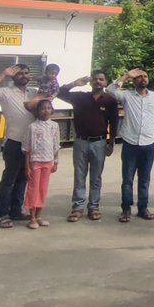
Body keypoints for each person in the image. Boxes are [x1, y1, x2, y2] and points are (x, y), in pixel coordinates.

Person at [53, 71, 118, 222]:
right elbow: (59, 92)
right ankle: (77, 207)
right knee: (80, 176)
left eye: (101, 79)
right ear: (90, 82)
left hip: (99, 143)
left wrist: (111, 143)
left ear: (105, 82)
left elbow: (114, 123)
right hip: (81, 142)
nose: (97, 82)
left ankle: (94, 207)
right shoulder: (80, 97)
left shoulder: (109, 100)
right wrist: (74, 83)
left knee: (96, 177)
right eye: (95, 79)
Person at [0, 64, 35, 229]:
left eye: (26, 73)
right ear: (13, 76)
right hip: (14, 142)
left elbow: (51, 91)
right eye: (19, 73)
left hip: (32, 143)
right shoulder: (6, 93)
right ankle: (3, 214)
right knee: (9, 180)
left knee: (23, 178)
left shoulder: (33, 92)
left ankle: (16, 211)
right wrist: (3, 73)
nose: (23, 76)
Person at [109, 68, 154, 222]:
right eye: (139, 77)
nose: (143, 79)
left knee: (145, 178)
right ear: (134, 80)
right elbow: (110, 89)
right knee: (127, 179)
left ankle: (143, 208)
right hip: (130, 142)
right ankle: (126, 209)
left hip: (148, 143)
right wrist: (126, 76)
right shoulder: (126, 95)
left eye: (145, 76)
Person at [23, 99, 60, 229]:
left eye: (48, 108)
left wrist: (55, 162)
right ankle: (31, 217)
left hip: (48, 161)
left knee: (43, 189)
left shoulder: (54, 126)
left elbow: (56, 145)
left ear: (52, 110)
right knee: (33, 188)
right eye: (42, 108)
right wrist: (27, 166)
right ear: (37, 111)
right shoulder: (32, 127)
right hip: (35, 161)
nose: (45, 111)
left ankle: (39, 215)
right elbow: (27, 148)